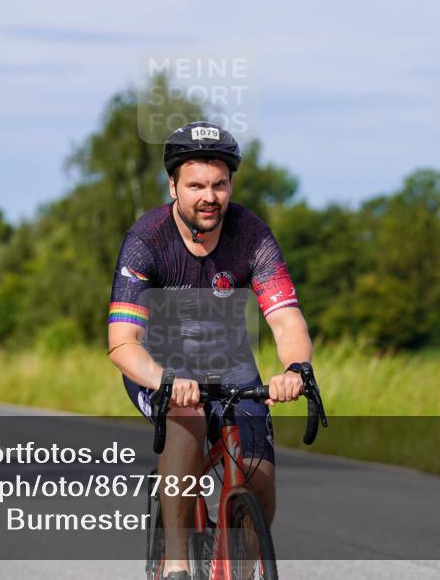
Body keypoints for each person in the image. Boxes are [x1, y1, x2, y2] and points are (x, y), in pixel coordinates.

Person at [107, 121, 313, 580]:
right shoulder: (146, 241)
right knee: (189, 417)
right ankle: (178, 563)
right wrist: (164, 380)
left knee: (258, 475)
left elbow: (285, 319)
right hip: (160, 365)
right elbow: (122, 343)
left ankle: (246, 564)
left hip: (231, 363)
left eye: (219, 184)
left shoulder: (252, 235)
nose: (209, 196)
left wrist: (296, 368)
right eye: (196, 185)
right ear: (173, 186)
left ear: (231, 185)